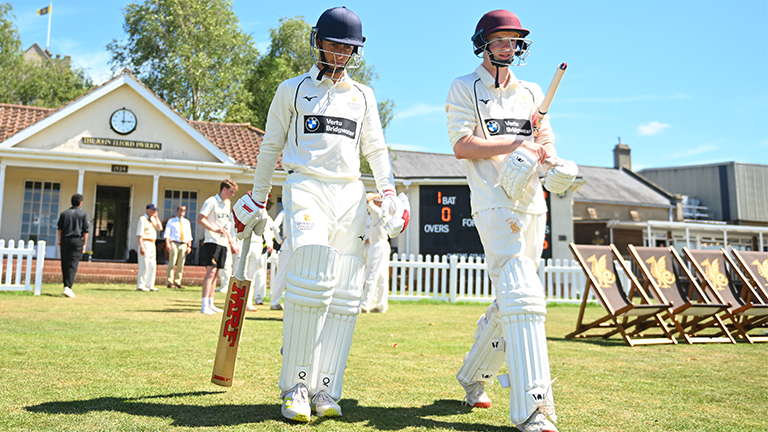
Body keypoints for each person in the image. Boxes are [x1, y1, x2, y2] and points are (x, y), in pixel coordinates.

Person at [231, 6, 409, 423]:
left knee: (346, 292)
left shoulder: (362, 95)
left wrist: (387, 192)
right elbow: (270, 147)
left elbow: (376, 149)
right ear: (318, 43)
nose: (341, 55)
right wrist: (258, 199)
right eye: (334, 45)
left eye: (349, 48)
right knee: (311, 272)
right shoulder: (291, 90)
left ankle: (326, 388)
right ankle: (295, 385)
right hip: (306, 184)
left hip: (350, 192)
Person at [445, 10, 577, 432]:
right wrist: (517, 142)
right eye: (501, 40)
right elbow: (463, 146)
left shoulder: (532, 92)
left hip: (532, 203)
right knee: (522, 295)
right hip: (492, 200)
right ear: (482, 43)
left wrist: (554, 163)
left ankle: (472, 376)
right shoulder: (464, 87)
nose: (509, 47)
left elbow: (546, 141)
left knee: (516, 299)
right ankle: (534, 411)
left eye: (514, 41)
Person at [198, 179, 239, 314]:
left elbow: (226, 226)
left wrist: (231, 242)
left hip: (223, 243)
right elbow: (200, 218)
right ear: (224, 189)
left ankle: (211, 303)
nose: (232, 195)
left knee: (216, 274)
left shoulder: (227, 204)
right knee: (210, 272)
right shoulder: (211, 201)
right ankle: (204, 305)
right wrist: (214, 229)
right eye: (231, 192)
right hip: (212, 241)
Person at [360, 193, 390, 313]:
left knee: (371, 275)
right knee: (382, 277)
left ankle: (366, 304)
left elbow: (367, 198)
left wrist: (377, 194)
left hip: (377, 245)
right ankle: (381, 305)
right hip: (383, 244)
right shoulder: (383, 213)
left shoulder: (378, 212)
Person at [57, 193, 89, 298]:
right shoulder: (83, 214)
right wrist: (84, 244)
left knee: (65, 262)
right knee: (73, 263)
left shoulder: (64, 214)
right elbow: (85, 231)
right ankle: (68, 286)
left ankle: (66, 285)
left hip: (65, 239)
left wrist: (60, 241)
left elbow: (60, 229)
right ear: (80, 203)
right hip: (77, 240)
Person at [164, 205, 193, 289]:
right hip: (174, 242)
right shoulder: (171, 221)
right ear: (177, 212)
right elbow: (167, 233)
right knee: (172, 263)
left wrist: (189, 245)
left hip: (183, 243)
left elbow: (189, 234)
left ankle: (178, 281)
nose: (181, 213)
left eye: (183, 211)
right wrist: (167, 243)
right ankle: (170, 282)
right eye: (180, 211)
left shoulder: (187, 222)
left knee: (181, 264)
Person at [136, 203, 163, 292]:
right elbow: (139, 235)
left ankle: (150, 284)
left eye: (155, 210)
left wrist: (156, 217)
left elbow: (160, 228)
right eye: (152, 210)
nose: (154, 211)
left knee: (152, 265)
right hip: (145, 242)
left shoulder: (152, 219)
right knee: (144, 265)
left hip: (152, 243)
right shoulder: (142, 219)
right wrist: (142, 246)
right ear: (148, 210)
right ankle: (141, 285)